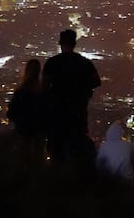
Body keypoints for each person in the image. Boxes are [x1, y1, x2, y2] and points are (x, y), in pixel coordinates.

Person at [42, 29, 102, 165]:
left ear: (60, 44)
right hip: (78, 116)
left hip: (57, 117)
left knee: (57, 156)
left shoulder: (52, 63)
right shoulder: (85, 64)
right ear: (74, 43)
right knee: (76, 154)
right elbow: (96, 82)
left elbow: (44, 88)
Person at [7, 59, 48, 163]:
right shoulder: (43, 91)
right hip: (39, 131)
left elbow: (11, 112)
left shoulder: (21, 91)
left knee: (24, 159)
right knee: (37, 159)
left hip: (23, 130)